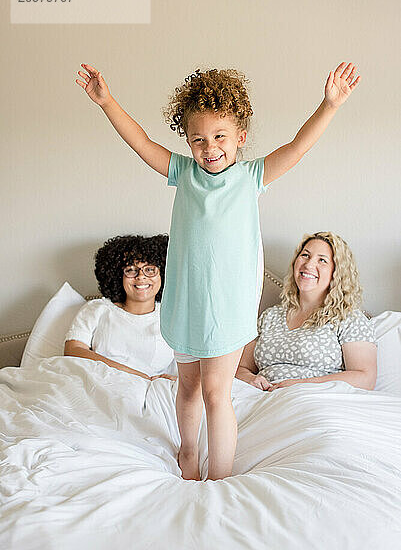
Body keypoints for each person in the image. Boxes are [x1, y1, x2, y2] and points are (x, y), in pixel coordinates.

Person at [75, 61, 361, 481]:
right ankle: (188, 455)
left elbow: (298, 147)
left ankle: (220, 478)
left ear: (240, 137)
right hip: (185, 304)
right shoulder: (184, 172)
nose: (209, 148)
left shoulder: (251, 176)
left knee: (216, 393)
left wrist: (329, 105)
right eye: (198, 139)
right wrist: (106, 101)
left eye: (219, 137)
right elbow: (141, 141)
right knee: (187, 388)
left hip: (227, 311)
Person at [236, 232, 377, 392]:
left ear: (336, 273)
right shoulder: (269, 316)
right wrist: (252, 379)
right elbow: (241, 369)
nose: (309, 265)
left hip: (314, 401)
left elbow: (365, 378)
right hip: (262, 398)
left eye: (322, 260)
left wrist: (301, 384)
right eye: (305, 255)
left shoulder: (348, 318)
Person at [64, 234, 177, 382]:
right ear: (118, 275)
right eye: (131, 270)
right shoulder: (98, 309)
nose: (141, 277)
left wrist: (174, 380)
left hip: (148, 393)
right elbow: (73, 350)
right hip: (93, 383)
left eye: (150, 270)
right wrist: (140, 376)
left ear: (162, 274)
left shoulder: (174, 318)